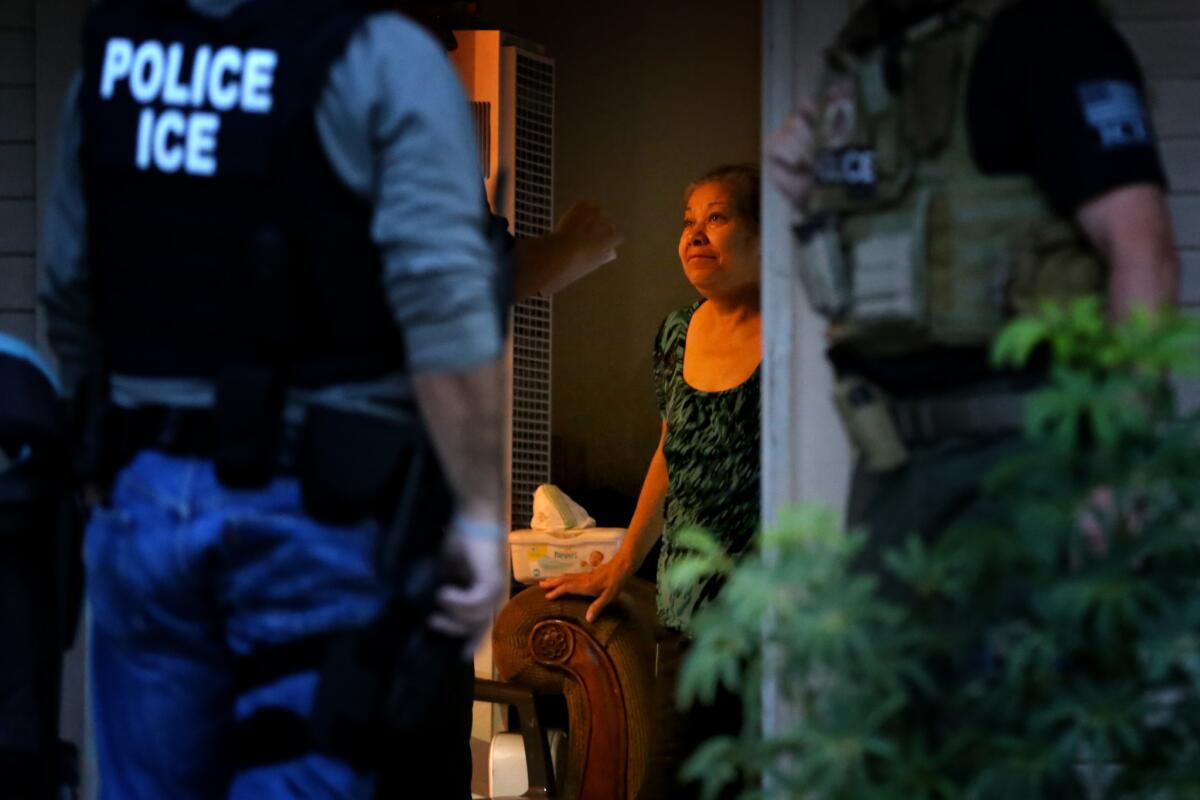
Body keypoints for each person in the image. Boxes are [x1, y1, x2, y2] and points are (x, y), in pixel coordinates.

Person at [41, 1, 510, 797]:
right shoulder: (384, 58)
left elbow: (66, 283)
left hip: (143, 496)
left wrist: (102, 447)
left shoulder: (116, 66)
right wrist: (476, 511)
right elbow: (442, 303)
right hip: (315, 513)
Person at [766, 0, 1180, 574]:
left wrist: (1128, 461)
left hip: (1027, 461)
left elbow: (1144, 252)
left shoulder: (1046, 32)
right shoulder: (872, 46)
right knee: (880, 660)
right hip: (892, 464)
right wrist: (812, 189)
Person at [541, 164, 762, 800]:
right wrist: (622, 562)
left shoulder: (794, 332)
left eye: (716, 218)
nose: (695, 235)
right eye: (687, 223)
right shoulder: (676, 331)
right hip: (687, 613)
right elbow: (669, 452)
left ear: (761, 236)